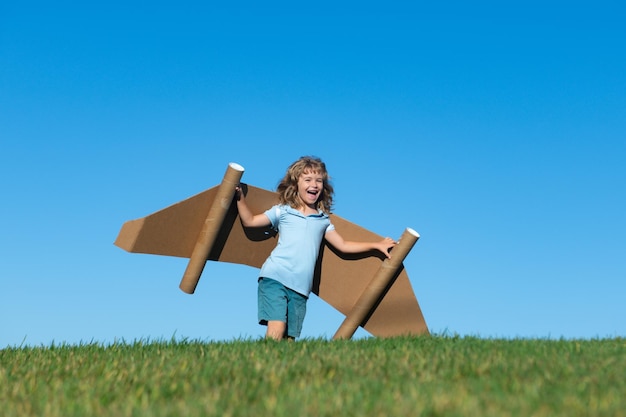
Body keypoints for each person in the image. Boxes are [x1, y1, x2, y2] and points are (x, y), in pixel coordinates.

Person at [235, 156, 396, 340]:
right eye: (308, 180)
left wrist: (376, 245)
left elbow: (343, 245)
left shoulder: (322, 220)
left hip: (301, 288)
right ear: (296, 184)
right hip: (275, 277)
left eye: (319, 180)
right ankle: (260, 367)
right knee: (277, 328)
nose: (314, 184)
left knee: (289, 340)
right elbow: (250, 222)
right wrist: (240, 199)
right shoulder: (283, 210)